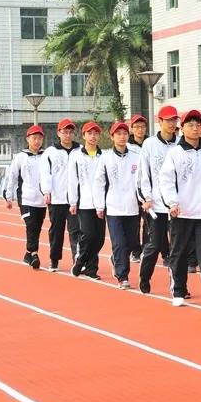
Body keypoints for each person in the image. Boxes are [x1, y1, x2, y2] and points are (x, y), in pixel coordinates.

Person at [158, 110, 201, 307]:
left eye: (198, 125)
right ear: (182, 128)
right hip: (182, 212)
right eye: (190, 125)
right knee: (179, 252)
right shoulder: (175, 153)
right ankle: (178, 290)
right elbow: (166, 180)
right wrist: (172, 202)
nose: (195, 128)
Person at [136, 105, 179, 295]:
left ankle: (178, 286)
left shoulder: (181, 144)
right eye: (167, 120)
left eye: (174, 120)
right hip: (156, 205)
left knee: (177, 248)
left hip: (177, 206)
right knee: (154, 245)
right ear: (159, 122)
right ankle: (145, 277)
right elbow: (142, 174)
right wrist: (146, 197)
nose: (171, 123)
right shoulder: (150, 144)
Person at [93, 122, 142, 289]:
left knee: (131, 243)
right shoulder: (105, 158)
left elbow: (142, 180)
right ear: (112, 136)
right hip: (113, 207)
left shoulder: (136, 157)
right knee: (119, 242)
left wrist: (144, 198)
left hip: (132, 207)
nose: (122, 136)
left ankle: (116, 259)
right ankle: (123, 276)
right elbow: (99, 183)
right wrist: (99, 206)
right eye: (118, 133)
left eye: (125, 133)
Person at [4, 124, 47, 270]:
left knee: (37, 227)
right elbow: (12, 177)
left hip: (41, 200)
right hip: (26, 198)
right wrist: (8, 197)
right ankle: (34, 253)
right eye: (34, 138)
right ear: (28, 139)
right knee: (31, 224)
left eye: (40, 138)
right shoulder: (20, 157)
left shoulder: (46, 156)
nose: (37, 141)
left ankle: (28, 254)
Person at [40, 118, 79, 272]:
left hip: (75, 199)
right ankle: (54, 259)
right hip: (57, 198)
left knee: (76, 231)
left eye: (70, 132)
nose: (68, 135)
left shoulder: (80, 150)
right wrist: (46, 191)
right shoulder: (50, 152)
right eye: (65, 132)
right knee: (57, 231)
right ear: (58, 133)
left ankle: (77, 259)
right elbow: (45, 174)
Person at [68, 121, 103, 280]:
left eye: (96, 133)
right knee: (88, 235)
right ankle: (83, 261)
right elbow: (72, 180)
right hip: (85, 203)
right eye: (89, 133)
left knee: (99, 239)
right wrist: (73, 202)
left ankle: (89, 268)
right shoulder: (76, 156)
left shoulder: (104, 156)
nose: (93, 136)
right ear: (83, 136)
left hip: (101, 203)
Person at [128, 114, 149, 263]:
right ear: (131, 129)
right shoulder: (127, 146)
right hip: (132, 190)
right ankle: (135, 250)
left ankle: (146, 249)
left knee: (148, 222)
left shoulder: (150, 144)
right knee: (134, 223)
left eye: (142, 126)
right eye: (137, 127)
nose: (140, 130)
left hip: (147, 189)